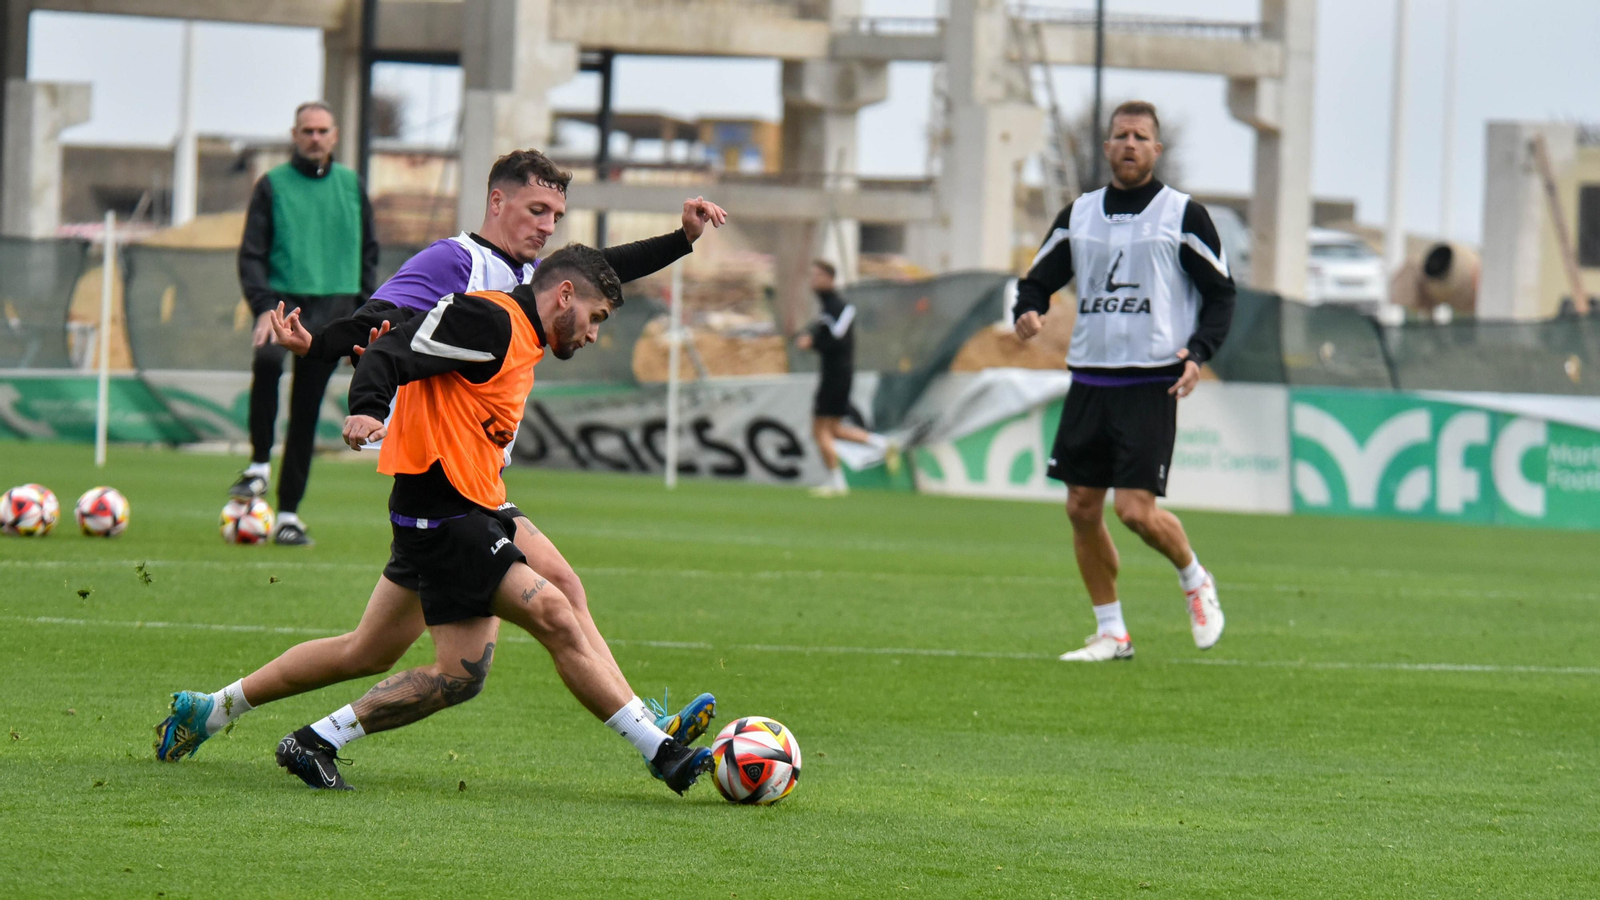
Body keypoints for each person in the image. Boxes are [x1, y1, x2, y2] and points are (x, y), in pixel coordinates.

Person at [156, 151, 722, 776]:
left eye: (557, 214)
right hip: (441, 482)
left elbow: (599, 271)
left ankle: (212, 708)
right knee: (544, 613)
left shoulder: (539, 277)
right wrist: (327, 351)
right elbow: (384, 325)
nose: (547, 225)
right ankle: (655, 743)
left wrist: (681, 240)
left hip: (478, 481)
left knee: (371, 650)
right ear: (497, 202)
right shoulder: (458, 264)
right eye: (538, 210)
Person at [1012, 100, 1235, 662]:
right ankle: (1112, 631)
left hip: (1150, 380)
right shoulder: (1079, 214)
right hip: (1091, 378)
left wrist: (1200, 351)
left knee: (1135, 512)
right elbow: (1038, 279)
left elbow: (1221, 293)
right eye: (1120, 135)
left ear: (1156, 150)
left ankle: (1194, 578)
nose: (1130, 144)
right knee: (1081, 508)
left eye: (1140, 136)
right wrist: (1029, 309)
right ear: (1107, 147)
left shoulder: (1183, 215)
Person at [232, 101, 379, 546]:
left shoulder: (352, 186)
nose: (315, 138)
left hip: (333, 310)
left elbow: (368, 253)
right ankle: (258, 463)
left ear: (334, 136)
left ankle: (288, 516)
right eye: (307, 130)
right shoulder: (272, 185)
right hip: (283, 302)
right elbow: (252, 253)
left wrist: (363, 313)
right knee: (267, 361)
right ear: (294, 135)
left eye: (322, 130)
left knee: (306, 412)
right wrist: (262, 305)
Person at [794, 260, 896, 497]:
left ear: (830, 278)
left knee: (820, 431)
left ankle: (837, 484)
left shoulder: (840, 308)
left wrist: (813, 342)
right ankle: (883, 445)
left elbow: (837, 341)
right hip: (834, 375)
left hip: (837, 376)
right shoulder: (827, 309)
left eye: (818, 275)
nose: (813, 280)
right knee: (834, 429)